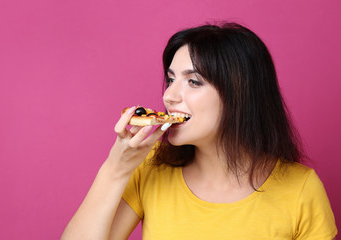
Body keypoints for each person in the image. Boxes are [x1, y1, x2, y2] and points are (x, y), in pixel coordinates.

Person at [61, 22, 337, 240]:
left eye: (193, 81)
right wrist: (115, 169)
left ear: (240, 96)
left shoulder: (301, 189)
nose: (169, 95)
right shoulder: (151, 167)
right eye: (170, 79)